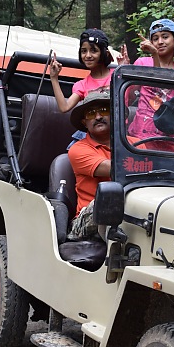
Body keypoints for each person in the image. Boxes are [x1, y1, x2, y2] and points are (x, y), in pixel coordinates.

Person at [127, 18, 174, 152]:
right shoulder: (142, 63)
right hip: (141, 134)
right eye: (155, 39)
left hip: (168, 136)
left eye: (165, 37)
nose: (160, 42)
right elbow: (130, 97)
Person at [65, 91, 114, 241]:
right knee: (113, 199)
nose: (98, 117)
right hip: (87, 219)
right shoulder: (78, 150)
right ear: (84, 122)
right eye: (92, 113)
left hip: (130, 209)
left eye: (104, 111)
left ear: (116, 114)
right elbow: (116, 169)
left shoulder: (136, 144)